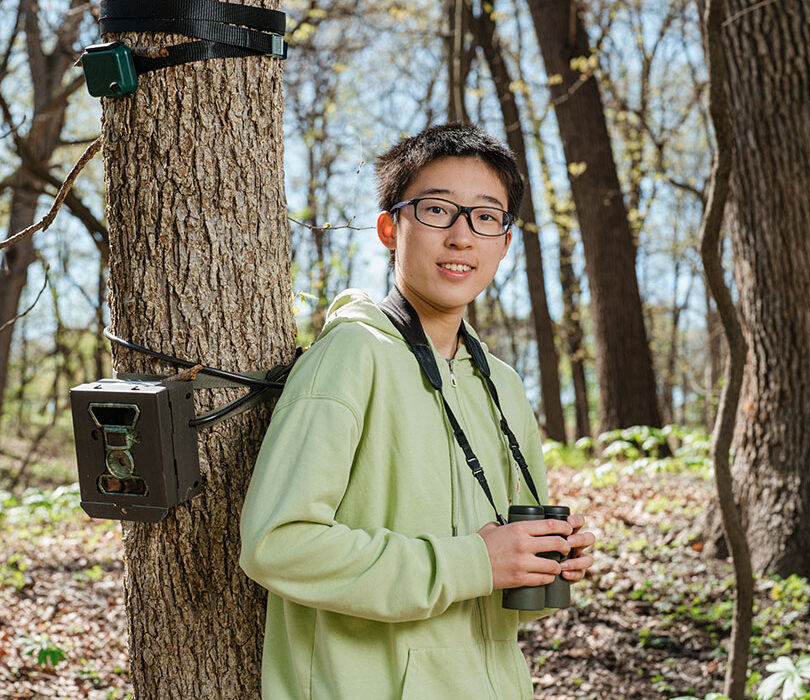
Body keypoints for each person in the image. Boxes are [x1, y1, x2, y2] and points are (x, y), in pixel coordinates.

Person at [239, 123, 596, 699]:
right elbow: (276, 544)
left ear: (504, 243)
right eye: (436, 211)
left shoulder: (501, 384)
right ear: (390, 228)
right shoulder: (351, 356)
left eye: (485, 217)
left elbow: (503, 599)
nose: (461, 237)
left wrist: (544, 561)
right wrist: (473, 562)